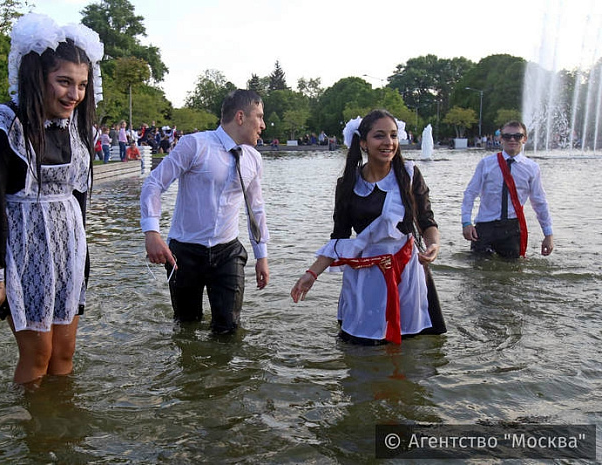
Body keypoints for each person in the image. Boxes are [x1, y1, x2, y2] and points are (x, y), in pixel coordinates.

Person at [0, 13, 103, 386]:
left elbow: (79, 202)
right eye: (63, 82)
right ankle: (33, 437)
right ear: (36, 77)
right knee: (37, 354)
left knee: (64, 352)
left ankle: (62, 428)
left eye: (80, 85)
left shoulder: (76, 128)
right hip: (23, 253)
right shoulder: (2, 128)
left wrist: (83, 265)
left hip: (68, 252)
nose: (73, 95)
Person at [290, 110, 446, 345]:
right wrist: (311, 274)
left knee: (412, 345)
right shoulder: (348, 185)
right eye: (379, 136)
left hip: (406, 271)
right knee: (362, 345)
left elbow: (426, 220)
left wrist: (433, 243)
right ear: (363, 142)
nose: (388, 143)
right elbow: (339, 238)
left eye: (393, 136)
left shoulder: (409, 175)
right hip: (366, 273)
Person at [140, 89, 270, 335]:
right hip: (185, 252)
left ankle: (222, 373)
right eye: (260, 117)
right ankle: (191, 372)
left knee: (229, 330)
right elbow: (154, 183)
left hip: (228, 251)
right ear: (241, 117)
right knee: (186, 328)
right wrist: (151, 232)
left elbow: (256, 209)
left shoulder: (253, 158)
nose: (263, 125)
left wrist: (261, 256)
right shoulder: (195, 145)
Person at [461, 121, 554, 258]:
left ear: (524, 139)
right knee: (478, 273)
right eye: (507, 136)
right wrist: (466, 222)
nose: (512, 139)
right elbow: (470, 193)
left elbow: (539, 202)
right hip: (485, 226)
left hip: (512, 229)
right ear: (500, 138)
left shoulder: (532, 168)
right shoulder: (486, 164)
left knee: (511, 275)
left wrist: (548, 234)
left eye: (517, 136)